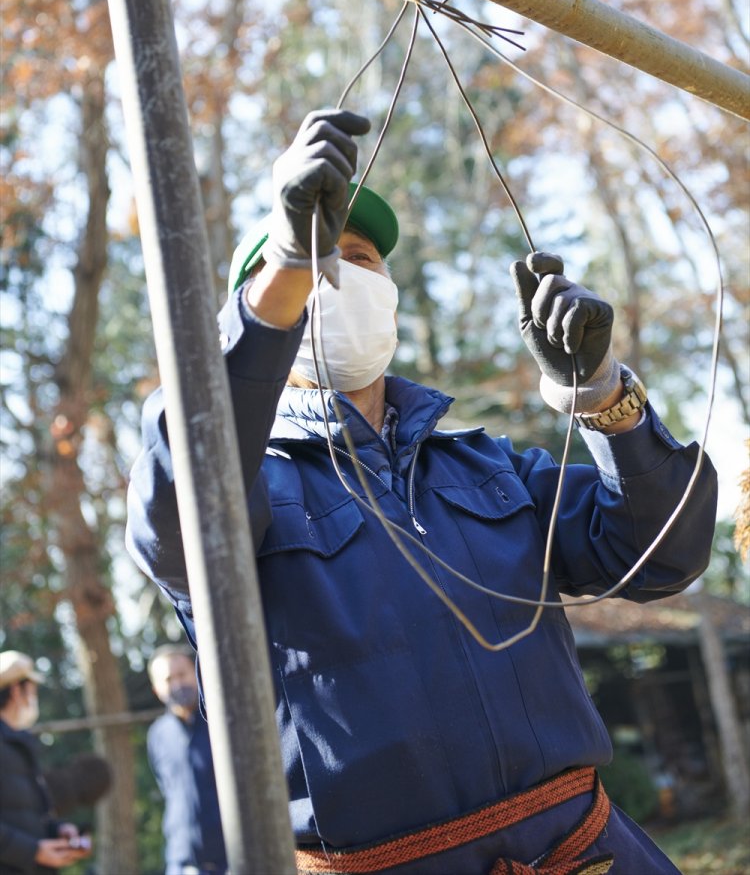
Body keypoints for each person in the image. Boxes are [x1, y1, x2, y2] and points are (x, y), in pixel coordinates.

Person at [127, 109, 718, 873]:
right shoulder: (234, 479)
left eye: (363, 256)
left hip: (585, 852)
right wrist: (284, 256)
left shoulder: (486, 466)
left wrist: (603, 397)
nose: (344, 272)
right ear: (266, 300)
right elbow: (184, 509)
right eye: (318, 256)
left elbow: (665, 553)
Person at [0, 651, 92, 874]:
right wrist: (33, 851)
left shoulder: (18, 741)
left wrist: (58, 830)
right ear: (16, 690)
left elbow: (25, 814)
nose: (34, 696)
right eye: (32, 688)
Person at [146, 645, 227, 875]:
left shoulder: (223, 722)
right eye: (168, 679)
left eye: (182, 674)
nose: (178, 684)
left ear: (196, 673)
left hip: (232, 860)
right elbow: (167, 790)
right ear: (156, 689)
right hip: (182, 863)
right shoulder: (157, 735)